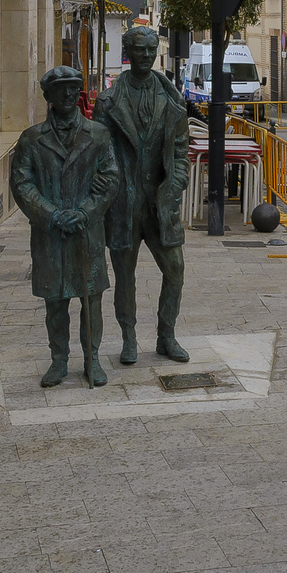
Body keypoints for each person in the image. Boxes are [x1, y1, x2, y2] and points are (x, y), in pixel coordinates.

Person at [10, 66, 119, 388]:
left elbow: (110, 178)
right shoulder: (31, 139)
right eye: (62, 90)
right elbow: (21, 184)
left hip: (88, 231)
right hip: (50, 234)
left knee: (91, 299)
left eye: (74, 89)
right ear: (49, 96)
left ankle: (92, 359)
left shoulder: (98, 134)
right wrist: (51, 215)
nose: (69, 95)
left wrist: (86, 212)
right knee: (55, 301)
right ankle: (58, 360)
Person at [94, 27, 192, 365]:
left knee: (175, 269)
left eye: (151, 50)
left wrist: (176, 183)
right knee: (125, 276)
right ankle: (129, 338)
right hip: (123, 204)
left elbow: (180, 151)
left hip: (159, 203)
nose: (147, 56)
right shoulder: (107, 103)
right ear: (127, 52)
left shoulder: (171, 100)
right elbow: (99, 156)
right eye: (140, 50)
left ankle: (167, 336)